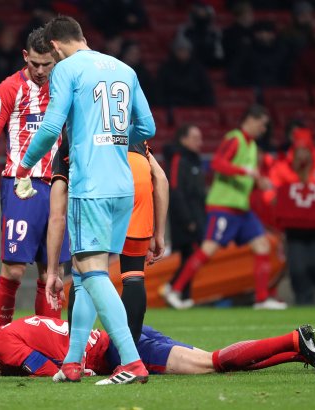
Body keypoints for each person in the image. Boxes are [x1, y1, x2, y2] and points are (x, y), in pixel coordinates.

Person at [14, 16, 155, 385]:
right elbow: (148, 128)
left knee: (91, 272)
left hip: (90, 185)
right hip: (124, 185)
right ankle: (73, 362)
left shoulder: (67, 69)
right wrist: (115, 143)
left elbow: (49, 126)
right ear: (82, 37)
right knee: (83, 274)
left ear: (55, 47)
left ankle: (131, 361)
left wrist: (25, 166)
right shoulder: (124, 68)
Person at [0, 28, 69, 335]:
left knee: (52, 272)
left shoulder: (67, 87)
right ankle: (1, 346)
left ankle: (48, 343)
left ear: (57, 58)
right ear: (25, 57)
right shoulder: (9, 88)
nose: (40, 71)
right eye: (35, 64)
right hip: (21, 186)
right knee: (13, 270)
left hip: (58, 186)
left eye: (47, 64)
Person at [163, 105, 287, 310]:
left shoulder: (252, 146)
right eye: (262, 124)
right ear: (251, 120)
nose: (264, 129)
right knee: (208, 249)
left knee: (262, 245)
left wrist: (260, 182)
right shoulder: (235, 139)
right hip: (223, 207)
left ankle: (262, 298)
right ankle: (174, 289)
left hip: (242, 209)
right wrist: (244, 171)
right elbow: (218, 163)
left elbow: (247, 175)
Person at [50, 137, 169, 343]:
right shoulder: (132, 134)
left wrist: (53, 270)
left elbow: (56, 216)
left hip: (98, 176)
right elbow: (161, 178)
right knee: (134, 276)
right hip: (136, 173)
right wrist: (158, 234)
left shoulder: (74, 135)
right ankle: (128, 358)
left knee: (85, 275)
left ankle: (77, 357)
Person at [0, 315, 315, 378]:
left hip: (120, 351)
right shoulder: (21, 326)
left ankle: (292, 338)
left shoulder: (3, 341)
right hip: (128, 335)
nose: (4, 369)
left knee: (213, 363)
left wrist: (80, 371)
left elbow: (45, 369)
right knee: (215, 362)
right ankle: (298, 351)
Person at [266, 128, 315, 305]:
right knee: (298, 269)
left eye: (305, 149)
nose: (302, 154)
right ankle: (304, 306)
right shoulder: (283, 167)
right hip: (295, 230)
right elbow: (270, 191)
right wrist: (277, 200)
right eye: (299, 150)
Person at [162, 125, 205, 308]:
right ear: (183, 139)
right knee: (193, 253)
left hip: (196, 216)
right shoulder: (179, 159)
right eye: (195, 138)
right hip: (185, 218)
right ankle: (173, 288)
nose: (200, 143)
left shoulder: (194, 160)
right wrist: (187, 219)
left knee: (190, 254)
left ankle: (184, 295)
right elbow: (176, 189)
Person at [157, 36, 215, 107]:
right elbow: (160, 91)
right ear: (174, 51)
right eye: (180, 50)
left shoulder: (198, 69)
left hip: (195, 105)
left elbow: (206, 90)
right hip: (173, 106)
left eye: (186, 50)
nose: (183, 53)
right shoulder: (165, 69)